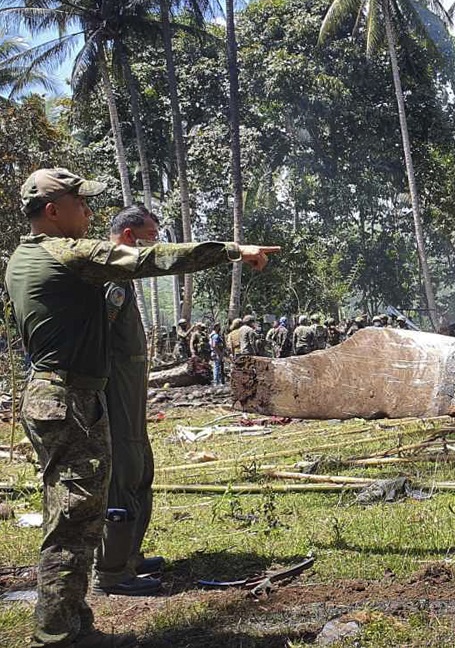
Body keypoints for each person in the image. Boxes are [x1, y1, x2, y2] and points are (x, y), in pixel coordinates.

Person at [5, 168, 280, 648]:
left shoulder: (20, 258)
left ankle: (70, 622)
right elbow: (152, 259)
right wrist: (234, 250)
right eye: (80, 203)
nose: (89, 213)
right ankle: (59, 633)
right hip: (68, 398)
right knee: (73, 520)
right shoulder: (66, 254)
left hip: (57, 395)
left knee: (73, 515)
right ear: (52, 211)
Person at [93, 207, 163, 599]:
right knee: (123, 473)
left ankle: (130, 555)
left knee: (140, 470)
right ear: (128, 237)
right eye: (148, 237)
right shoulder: (113, 278)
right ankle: (112, 569)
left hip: (131, 394)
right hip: (116, 394)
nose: (153, 245)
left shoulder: (125, 279)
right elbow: (98, 335)